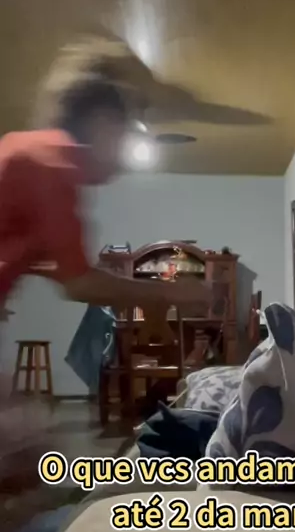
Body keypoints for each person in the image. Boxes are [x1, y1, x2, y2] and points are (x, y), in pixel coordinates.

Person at [0, 35, 211, 494]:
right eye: (127, 128)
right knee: (21, 448)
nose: (128, 145)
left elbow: (43, 261)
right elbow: (78, 283)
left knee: (23, 449)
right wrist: (171, 294)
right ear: (100, 123)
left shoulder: (36, 154)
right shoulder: (51, 165)